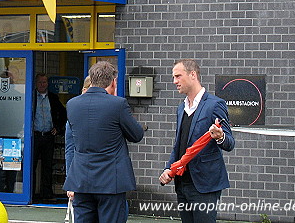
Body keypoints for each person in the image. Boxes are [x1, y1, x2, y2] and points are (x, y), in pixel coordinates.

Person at [63, 61, 144, 223]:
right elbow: (136, 135)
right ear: (113, 81)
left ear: (91, 79)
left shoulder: (72, 104)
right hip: (111, 181)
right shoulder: (118, 104)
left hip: (81, 180)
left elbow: (73, 143)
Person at [159, 59, 235, 223]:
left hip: (205, 185)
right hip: (182, 183)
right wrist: (168, 168)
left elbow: (230, 143)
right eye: (174, 77)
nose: (174, 81)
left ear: (193, 75)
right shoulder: (181, 109)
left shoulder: (215, 105)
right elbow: (178, 146)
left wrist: (220, 136)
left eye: (178, 76)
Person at [32, 73, 67, 201]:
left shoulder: (52, 98)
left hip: (48, 136)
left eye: (45, 82)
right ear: (36, 83)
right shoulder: (31, 97)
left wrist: (58, 128)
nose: (42, 85)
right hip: (34, 136)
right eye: (40, 82)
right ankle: (31, 193)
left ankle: (46, 194)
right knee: (32, 165)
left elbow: (63, 113)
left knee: (47, 166)